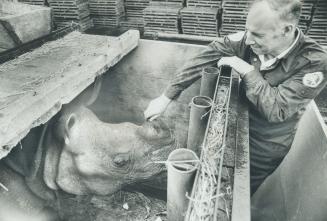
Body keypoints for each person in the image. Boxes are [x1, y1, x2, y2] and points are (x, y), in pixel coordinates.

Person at [144, 0, 327, 196]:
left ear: (287, 30)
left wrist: (247, 70)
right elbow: (203, 59)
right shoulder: (247, 39)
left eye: (257, 35)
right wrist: (166, 97)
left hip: (264, 145)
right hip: (232, 125)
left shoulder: (314, 61)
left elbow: (277, 109)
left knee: (236, 193)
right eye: (247, 30)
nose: (248, 40)